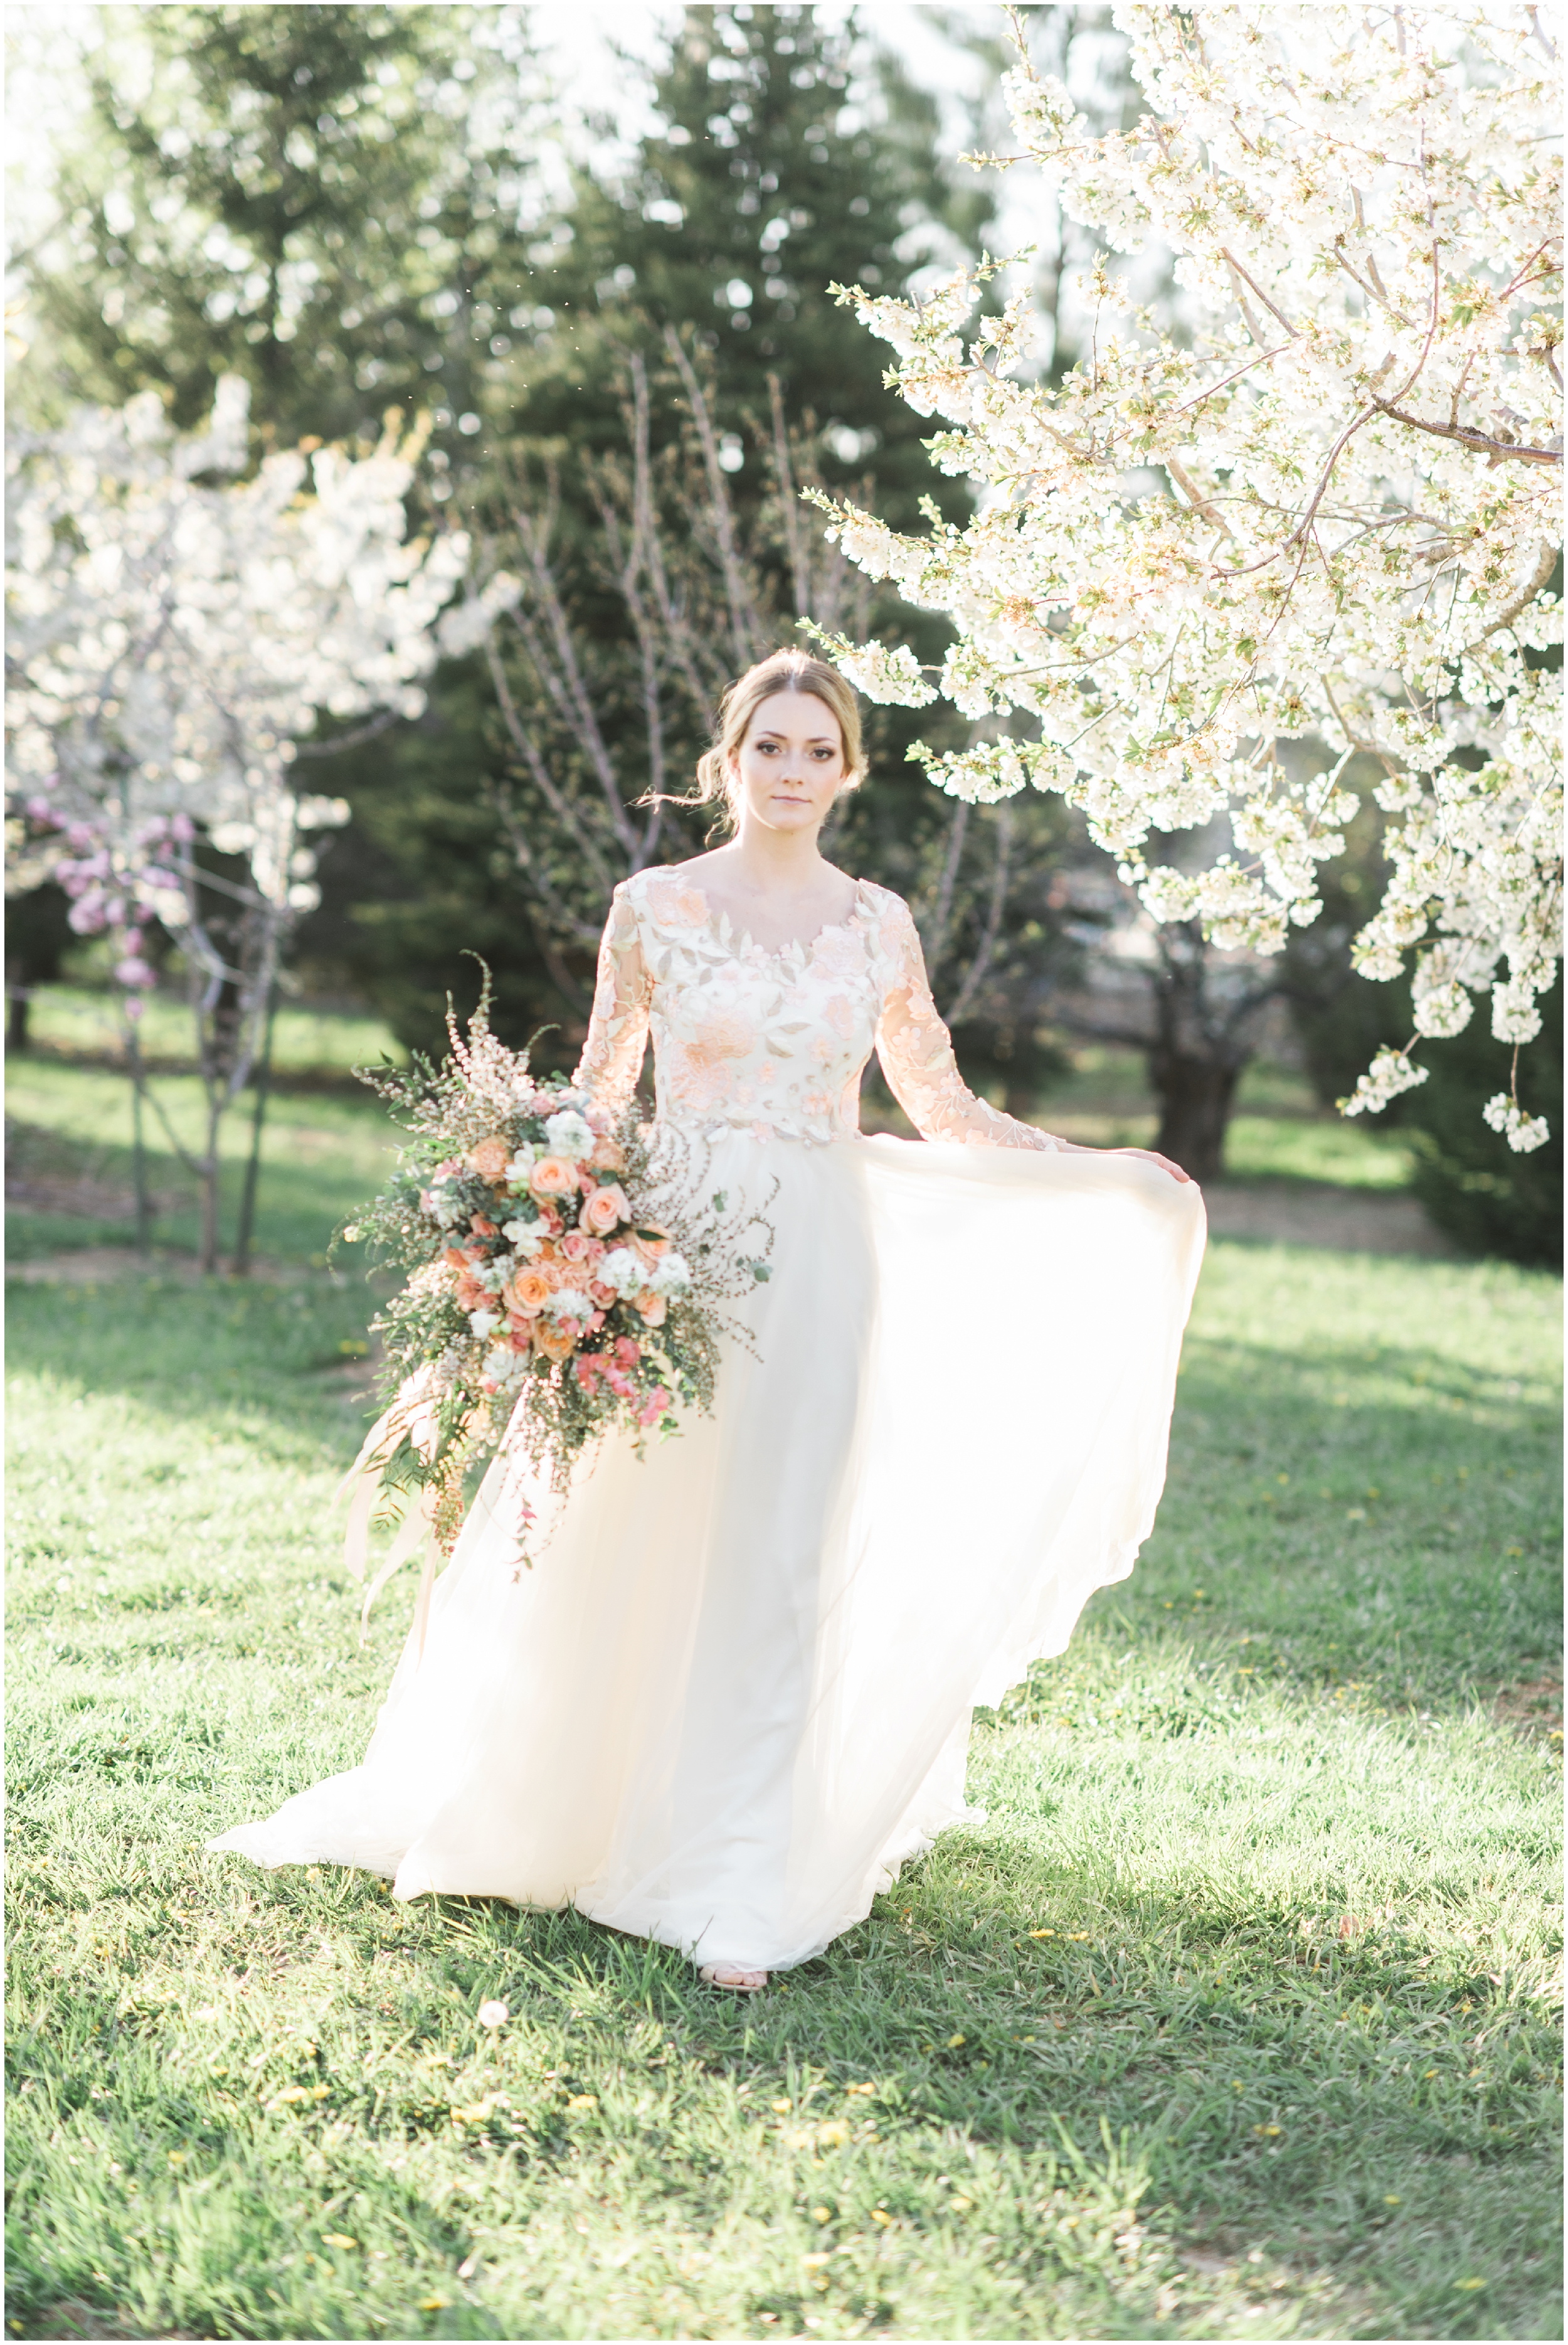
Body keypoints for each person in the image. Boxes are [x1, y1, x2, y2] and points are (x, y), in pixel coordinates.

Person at [210, 648, 1204, 1994]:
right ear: (725, 762)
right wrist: (540, 1225)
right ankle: (555, 1810)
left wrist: (1097, 1172)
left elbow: (940, 1109)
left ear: (846, 771)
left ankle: (741, 1869)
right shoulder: (655, 908)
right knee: (618, 1528)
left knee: (779, 1551)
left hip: (820, 1256)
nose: (789, 774)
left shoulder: (876, 925)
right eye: (767, 748)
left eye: (815, 752)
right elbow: (599, 1095)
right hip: (669, 1255)